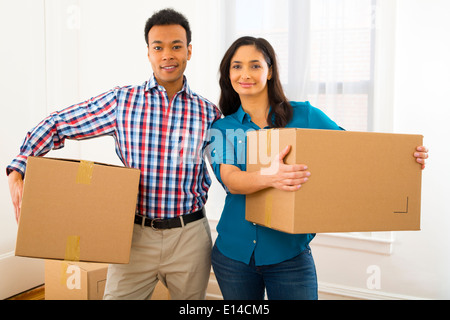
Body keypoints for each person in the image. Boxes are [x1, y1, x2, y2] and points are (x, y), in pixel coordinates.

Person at [6, 8, 221, 300]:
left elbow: (230, 173)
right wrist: (18, 168)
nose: (167, 55)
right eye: (158, 47)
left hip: (189, 235)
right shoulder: (123, 102)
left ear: (189, 51)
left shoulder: (208, 113)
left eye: (176, 46)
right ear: (148, 53)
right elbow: (59, 123)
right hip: (134, 236)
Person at [208, 36, 429, 300]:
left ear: (270, 71)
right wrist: (271, 176)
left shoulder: (305, 115)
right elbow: (231, 180)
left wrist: (405, 158)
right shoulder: (221, 129)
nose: (245, 73)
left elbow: (354, 152)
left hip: (289, 255)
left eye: (255, 65)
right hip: (234, 256)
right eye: (237, 66)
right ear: (228, 73)